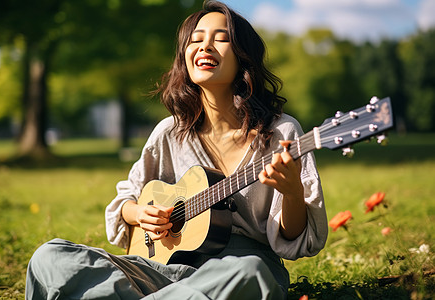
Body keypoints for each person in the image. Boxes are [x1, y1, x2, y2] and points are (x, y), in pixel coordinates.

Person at [25, 1, 328, 299]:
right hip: (163, 271)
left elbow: (294, 239)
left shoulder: (280, 133)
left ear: (243, 56)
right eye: (196, 40)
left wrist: (292, 192)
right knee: (50, 257)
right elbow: (127, 198)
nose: (205, 47)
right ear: (185, 57)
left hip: (231, 272)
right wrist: (139, 213)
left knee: (251, 274)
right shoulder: (170, 131)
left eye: (220, 39)